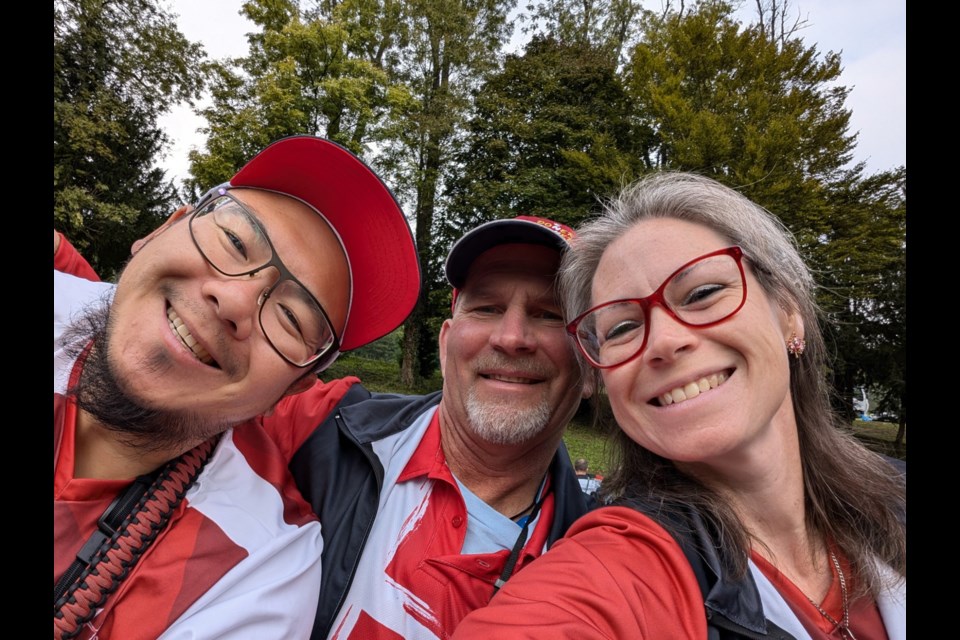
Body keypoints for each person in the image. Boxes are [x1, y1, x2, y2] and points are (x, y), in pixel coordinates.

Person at [453, 173, 906, 639]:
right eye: (622, 327)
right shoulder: (617, 571)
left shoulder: (893, 501)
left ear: (788, 313)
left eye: (703, 293)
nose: (664, 342)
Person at [54, 135, 420, 640]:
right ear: (165, 228)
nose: (233, 300)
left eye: (291, 317)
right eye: (234, 242)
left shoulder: (260, 571)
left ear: (292, 389)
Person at [261, 215, 595, 638]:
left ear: (591, 366)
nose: (512, 337)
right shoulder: (323, 424)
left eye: (549, 314)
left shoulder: (594, 568)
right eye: (487, 307)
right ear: (444, 343)